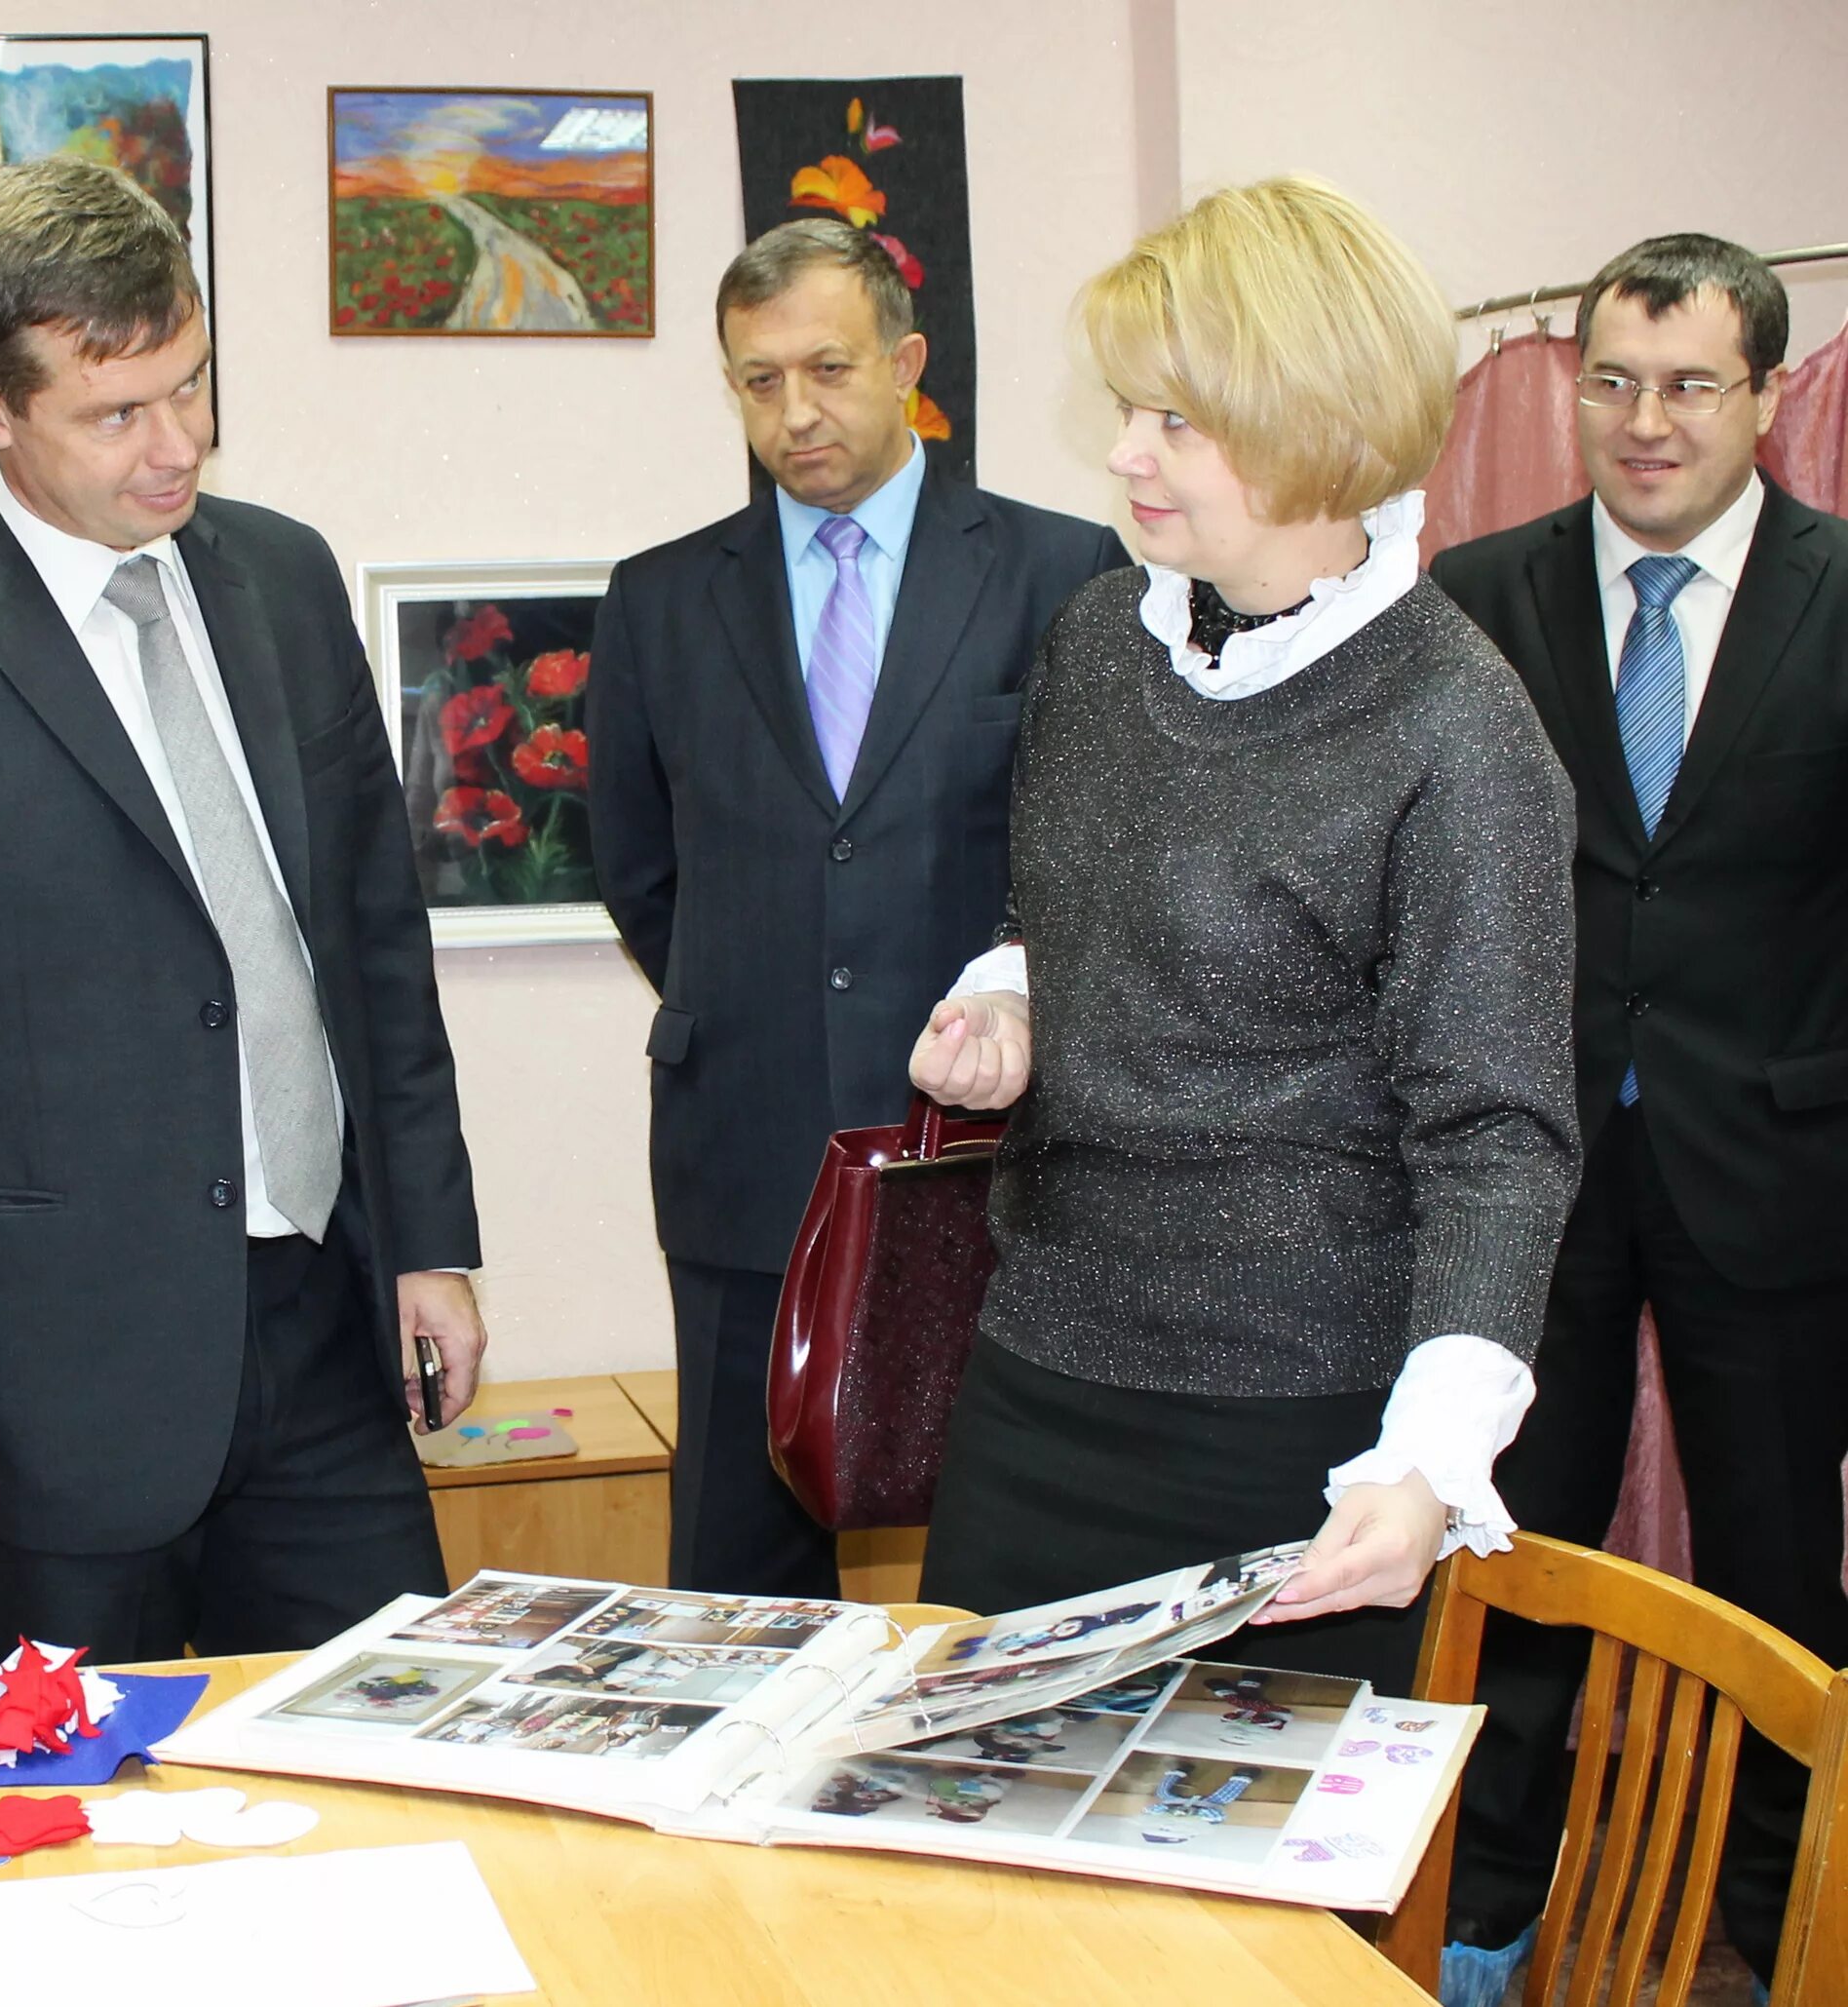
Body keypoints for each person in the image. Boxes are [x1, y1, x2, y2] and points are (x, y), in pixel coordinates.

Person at [0, 156, 486, 1673]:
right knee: (92, 1852)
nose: (177, 447)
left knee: (386, 1781)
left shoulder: (280, 575)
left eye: (193, 387)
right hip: (52, 1409)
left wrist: (431, 1243)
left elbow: (371, 949)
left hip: (327, 1340)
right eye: (116, 413)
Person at [905, 175, 1580, 1698]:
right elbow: (1051, 909)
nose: (1124, 453)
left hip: (1301, 1432)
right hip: (1039, 1380)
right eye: (1130, 408)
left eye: (1175, 422)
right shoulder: (1100, 640)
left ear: (1309, 426)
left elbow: (1498, 1142)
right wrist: (1008, 1001)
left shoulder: (1458, 732)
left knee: (1258, 1925)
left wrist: (1425, 1466)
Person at [587, 218, 1130, 1599]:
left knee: (1016, 1553)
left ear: (907, 364)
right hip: (742, 1144)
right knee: (735, 1576)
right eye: (757, 380)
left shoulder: (1064, 573)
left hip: (993, 1149)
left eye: (827, 368)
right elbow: (641, 872)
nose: (795, 412)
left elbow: (1094, 853)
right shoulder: (657, 602)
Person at [1427, 233, 1848, 2006]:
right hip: (1535, 1173)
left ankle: (1772, 1929)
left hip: (1782, 1167)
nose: (1645, 422)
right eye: (1611, 381)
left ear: (1764, 394)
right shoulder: (1476, 592)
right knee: (1515, 1555)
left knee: (1774, 1586)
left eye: (1687, 384)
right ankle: (1484, 1916)